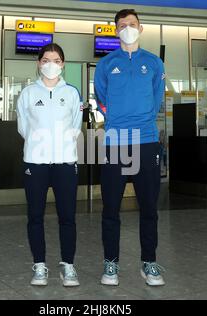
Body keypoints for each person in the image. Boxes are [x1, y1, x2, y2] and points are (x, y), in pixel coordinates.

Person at [94, 9, 166, 286]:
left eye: (132, 24)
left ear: (141, 28)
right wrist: (116, 119)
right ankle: (110, 264)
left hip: (147, 141)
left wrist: (142, 118)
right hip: (115, 143)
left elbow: (157, 98)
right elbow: (100, 97)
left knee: (149, 208)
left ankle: (149, 263)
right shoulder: (106, 64)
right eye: (122, 25)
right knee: (111, 208)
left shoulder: (154, 62)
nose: (127, 28)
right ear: (115, 30)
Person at [16, 43, 83, 287]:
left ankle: (68, 265)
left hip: (65, 162)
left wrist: (62, 146)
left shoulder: (72, 93)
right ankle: (40, 265)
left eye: (55, 60)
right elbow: (23, 127)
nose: (50, 64)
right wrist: (39, 146)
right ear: (38, 63)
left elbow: (76, 126)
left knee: (68, 216)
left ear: (63, 64)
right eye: (45, 60)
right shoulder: (28, 93)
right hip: (36, 162)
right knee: (35, 215)